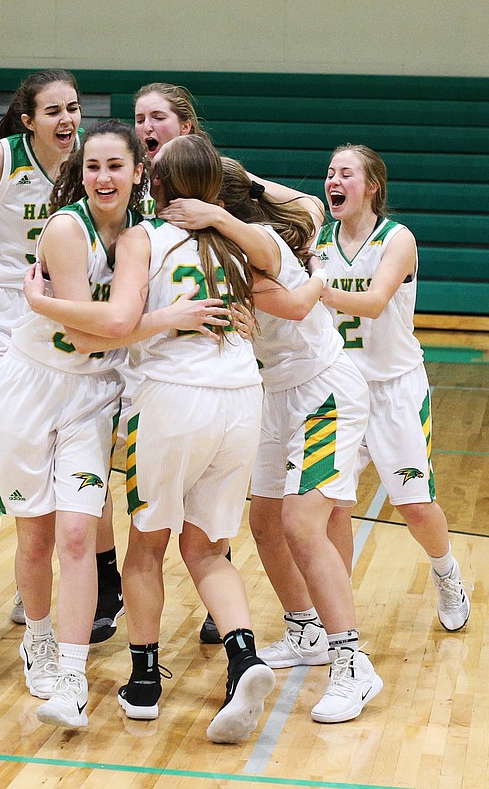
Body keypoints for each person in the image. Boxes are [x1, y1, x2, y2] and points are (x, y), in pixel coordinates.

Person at [25, 135, 274, 743]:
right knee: (209, 547)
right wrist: (221, 215)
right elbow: (287, 261)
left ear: (151, 183)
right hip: (242, 396)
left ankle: (143, 680)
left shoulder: (143, 238)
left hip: (171, 399)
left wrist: (40, 301)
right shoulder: (237, 243)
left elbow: (118, 324)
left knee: (146, 546)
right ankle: (244, 657)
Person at [162, 156, 379, 723]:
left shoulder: (259, 243)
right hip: (273, 396)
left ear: (217, 208)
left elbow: (293, 300)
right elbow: (305, 209)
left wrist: (217, 216)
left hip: (323, 392)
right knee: (262, 523)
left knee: (302, 525)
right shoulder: (219, 254)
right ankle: (305, 630)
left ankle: (352, 663)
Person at [0, 70, 128, 656]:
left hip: (61, 326)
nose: (67, 119)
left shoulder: (88, 170)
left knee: (65, 453)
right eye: (53, 111)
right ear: (28, 120)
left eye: (73, 107)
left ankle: (41, 589)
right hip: (1, 318)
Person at [0, 120, 134, 727]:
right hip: (30, 387)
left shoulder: (143, 235)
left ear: (136, 173)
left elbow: (113, 324)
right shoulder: (67, 228)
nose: (103, 177)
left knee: (78, 536)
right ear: (82, 173)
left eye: (115, 166)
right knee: (35, 536)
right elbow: (83, 329)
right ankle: (38, 637)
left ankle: (71, 675)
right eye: (93, 166)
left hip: (93, 394)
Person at [316, 146, 472, 629]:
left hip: (394, 389)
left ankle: (446, 571)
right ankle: (333, 619)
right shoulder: (319, 241)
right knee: (330, 508)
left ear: (371, 186)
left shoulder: (396, 238)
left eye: (345, 173)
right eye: (329, 173)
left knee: (413, 505)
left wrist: (311, 290)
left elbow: (376, 301)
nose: (333, 181)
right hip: (340, 390)